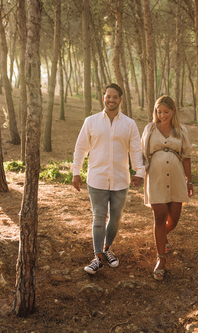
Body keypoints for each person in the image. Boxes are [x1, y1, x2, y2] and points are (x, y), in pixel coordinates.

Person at [71, 83, 145, 275]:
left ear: (120, 99)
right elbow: (80, 148)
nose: (111, 100)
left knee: (116, 218)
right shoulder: (91, 121)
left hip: (121, 180)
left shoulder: (129, 124)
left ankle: (107, 249)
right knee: (98, 217)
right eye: (108, 96)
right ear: (103, 98)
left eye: (115, 97)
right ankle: (97, 258)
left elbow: (136, 149)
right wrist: (76, 171)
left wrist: (139, 171)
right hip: (97, 179)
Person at [141, 95, 193, 281]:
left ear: (173, 112)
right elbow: (142, 153)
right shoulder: (150, 129)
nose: (162, 115)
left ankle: (161, 236)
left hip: (177, 177)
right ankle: (161, 258)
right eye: (159, 111)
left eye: (166, 112)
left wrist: (189, 180)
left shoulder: (180, 130)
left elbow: (186, 157)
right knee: (160, 216)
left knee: (174, 219)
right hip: (155, 177)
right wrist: (139, 174)